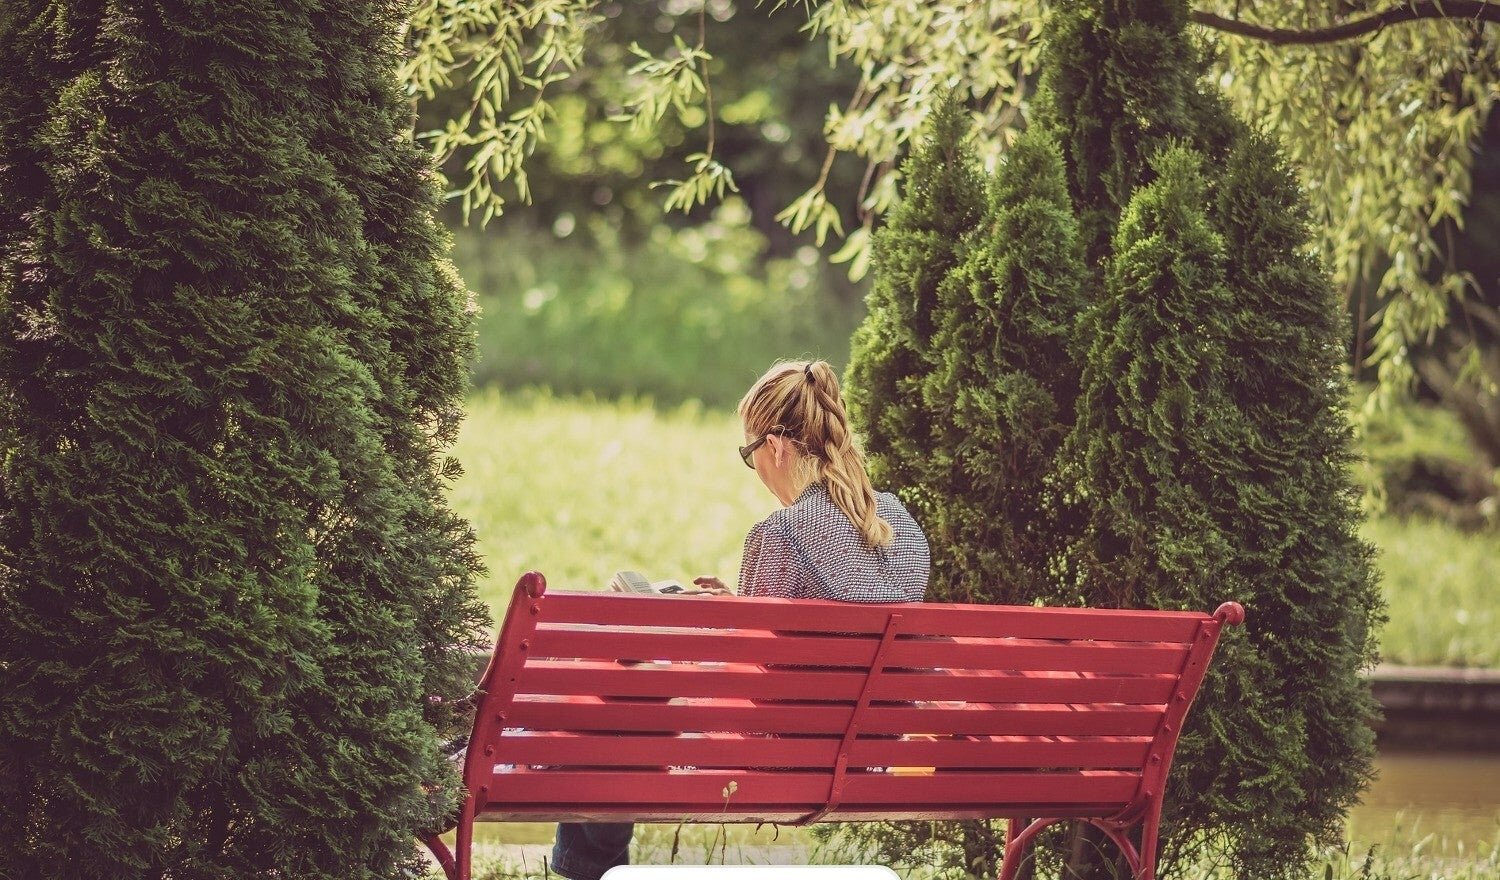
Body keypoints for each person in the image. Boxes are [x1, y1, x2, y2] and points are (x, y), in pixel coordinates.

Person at [550, 359, 931, 880]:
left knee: (622, 706)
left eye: (750, 455)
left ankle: (585, 871)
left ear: (774, 445)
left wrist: (695, 627)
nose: (757, 471)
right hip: (867, 752)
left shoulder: (782, 534)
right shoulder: (899, 525)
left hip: (783, 760)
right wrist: (738, 608)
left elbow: (751, 683)